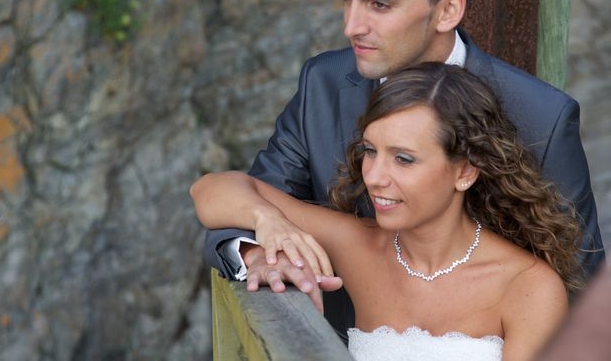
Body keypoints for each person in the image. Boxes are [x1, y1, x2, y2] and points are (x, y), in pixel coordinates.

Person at [203, 0, 605, 339]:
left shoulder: (542, 118)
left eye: (379, 3)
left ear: (448, 11)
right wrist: (260, 245)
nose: (352, 26)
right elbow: (246, 199)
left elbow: (581, 287)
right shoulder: (322, 82)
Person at [192, 62, 584, 361]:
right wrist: (269, 221)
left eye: (404, 159)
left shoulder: (529, 287)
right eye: (370, 151)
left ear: (464, 170)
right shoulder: (357, 245)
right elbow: (209, 190)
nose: (375, 177)